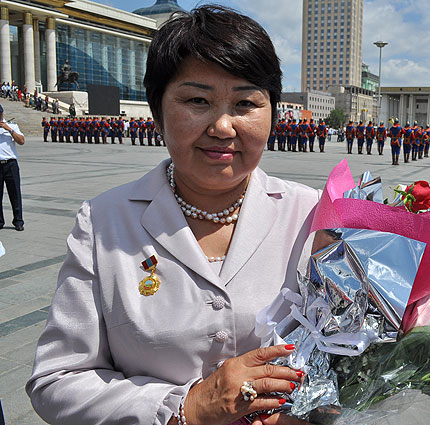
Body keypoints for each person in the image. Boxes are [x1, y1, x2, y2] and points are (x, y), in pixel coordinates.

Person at [27, 5, 316, 425]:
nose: (223, 125)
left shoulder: (316, 217)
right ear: (157, 112)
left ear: (272, 110)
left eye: (246, 102)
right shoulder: (103, 222)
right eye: (197, 100)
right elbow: (56, 380)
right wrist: (186, 409)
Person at [0, 104, 26, 231]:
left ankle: (18, 221)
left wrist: (8, 129)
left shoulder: (12, 126)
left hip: (10, 164)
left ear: (2, 114)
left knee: (15, 193)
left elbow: (21, 141)